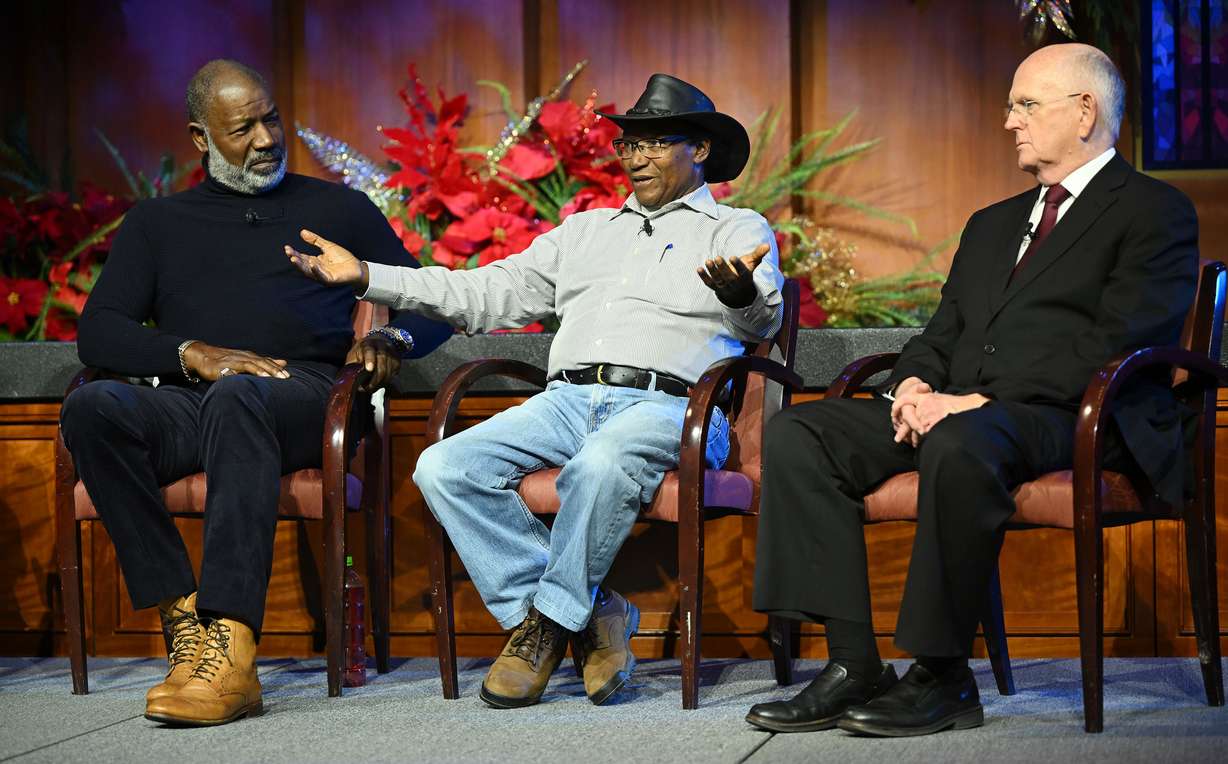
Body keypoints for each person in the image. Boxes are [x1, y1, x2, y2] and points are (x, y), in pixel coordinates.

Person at [284, 73, 784, 708]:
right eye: (629, 145)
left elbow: (760, 320)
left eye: (655, 143)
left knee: (603, 460)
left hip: (674, 407)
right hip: (567, 402)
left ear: (700, 151)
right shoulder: (583, 233)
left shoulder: (737, 229)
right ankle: (589, 611)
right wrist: (368, 277)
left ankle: (545, 629)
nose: (636, 158)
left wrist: (739, 294)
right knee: (443, 466)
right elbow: (482, 292)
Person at [747, 43, 1198, 737]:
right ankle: (852, 664)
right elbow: (941, 329)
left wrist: (974, 401)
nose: (1009, 120)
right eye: (1010, 106)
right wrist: (916, 382)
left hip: (1075, 416)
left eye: (1025, 104)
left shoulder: (1153, 211)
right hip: (967, 413)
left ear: (1085, 112)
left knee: (961, 440)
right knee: (802, 434)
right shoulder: (993, 223)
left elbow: (1118, 341)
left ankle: (942, 675)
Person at [59, 59, 451, 726]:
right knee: (92, 407)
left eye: (272, 119)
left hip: (306, 396)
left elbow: (432, 304)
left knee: (240, 396)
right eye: (244, 129)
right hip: (193, 395)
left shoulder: (338, 207)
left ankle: (233, 652)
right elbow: (99, 332)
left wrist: (394, 340)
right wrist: (191, 353)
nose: (268, 139)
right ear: (199, 137)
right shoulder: (158, 223)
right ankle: (188, 627)